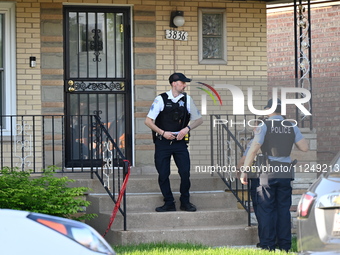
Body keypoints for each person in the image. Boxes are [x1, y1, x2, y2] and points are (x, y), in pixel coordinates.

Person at [240, 98, 308, 252]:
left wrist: (245, 170)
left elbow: (254, 148)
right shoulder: (291, 125)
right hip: (285, 171)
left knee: (266, 209)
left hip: (268, 171)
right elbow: (304, 147)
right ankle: (285, 246)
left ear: (268, 110)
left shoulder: (264, 125)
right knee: (283, 210)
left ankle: (268, 245)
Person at [145, 72, 203, 212]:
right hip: (163, 143)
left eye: (185, 83)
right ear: (174, 83)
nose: (184, 85)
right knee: (163, 174)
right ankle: (169, 202)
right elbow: (148, 121)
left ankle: (185, 201)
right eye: (182, 83)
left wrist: (186, 129)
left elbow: (199, 119)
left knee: (185, 172)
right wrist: (163, 133)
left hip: (180, 143)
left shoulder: (187, 99)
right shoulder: (161, 99)